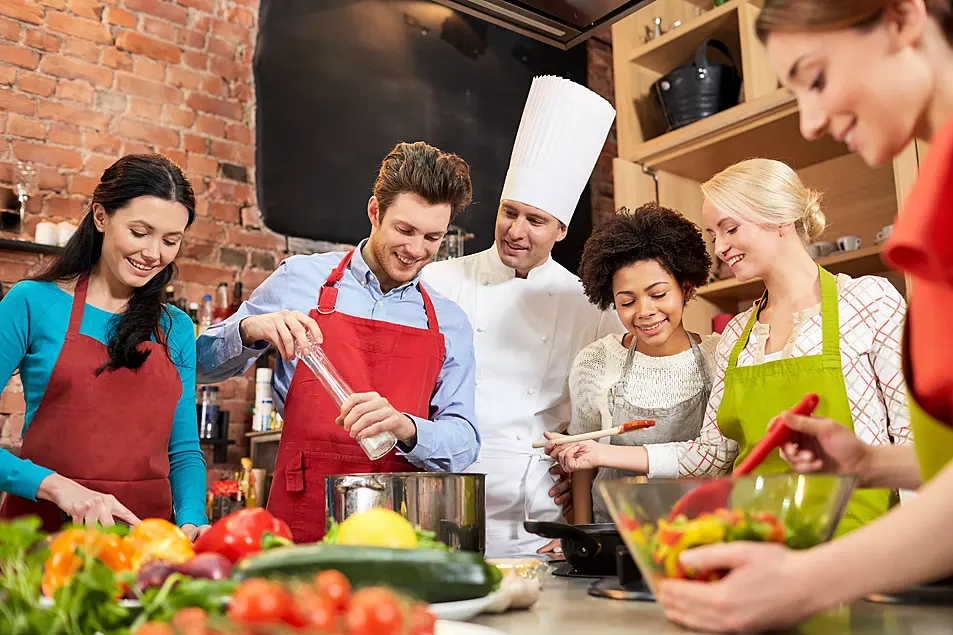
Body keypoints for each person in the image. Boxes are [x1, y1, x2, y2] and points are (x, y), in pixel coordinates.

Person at [654, 1, 953, 630]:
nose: (811, 122)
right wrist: (868, 464)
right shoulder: (933, 210)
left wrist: (807, 581)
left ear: (902, 18)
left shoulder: (871, 300)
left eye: (815, 77)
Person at [196, 141, 480, 543]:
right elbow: (199, 367)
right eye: (404, 230)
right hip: (300, 517)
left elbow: (465, 440)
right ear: (374, 212)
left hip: (397, 529)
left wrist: (407, 427)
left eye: (432, 237)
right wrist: (248, 330)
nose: (416, 250)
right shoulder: (299, 279)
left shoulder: (448, 322)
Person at [636, 159, 910, 538]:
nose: (721, 248)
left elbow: (911, 434)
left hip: (857, 543)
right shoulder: (736, 335)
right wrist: (599, 455)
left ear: (780, 218)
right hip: (756, 539)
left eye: (730, 229)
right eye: (714, 235)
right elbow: (713, 453)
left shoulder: (868, 303)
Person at [421, 75, 621, 557]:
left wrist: (578, 483)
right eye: (509, 212)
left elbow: (609, 414)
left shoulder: (591, 302)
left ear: (561, 229)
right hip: (444, 495)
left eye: (535, 221)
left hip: (538, 508)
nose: (515, 231)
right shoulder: (439, 282)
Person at [0, 154, 209, 538]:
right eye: (139, 232)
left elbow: (183, 450)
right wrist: (57, 487)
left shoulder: (175, 328)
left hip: (145, 545)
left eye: (170, 240)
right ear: (100, 217)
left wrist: (193, 519)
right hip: (44, 539)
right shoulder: (32, 302)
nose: (152, 254)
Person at [544, 203, 719, 524]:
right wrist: (584, 536)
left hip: (700, 532)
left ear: (686, 288)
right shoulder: (596, 362)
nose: (644, 311)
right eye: (627, 301)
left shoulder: (718, 356)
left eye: (658, 294)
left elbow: (721, 454)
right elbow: (585, 464)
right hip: (615, 531)